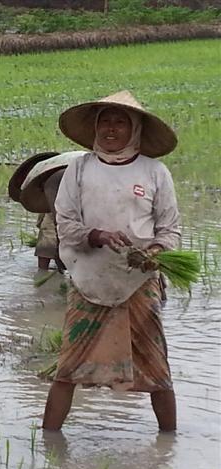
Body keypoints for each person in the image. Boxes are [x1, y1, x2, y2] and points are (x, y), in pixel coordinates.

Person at [43, 90, 181, 432]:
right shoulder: (79, 169)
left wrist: (155, 253)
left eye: (120, 122)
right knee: (68, 368)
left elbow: (170, 229)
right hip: (90, 280)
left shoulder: (155, 172)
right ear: (95, 126)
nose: (111, 128)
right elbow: (66, 224)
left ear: (134, 129)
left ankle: (169, 443)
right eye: (105, 120)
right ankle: (48, 441)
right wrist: (97, 236)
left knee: (156, 368)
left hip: (139, 283)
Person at [8, 151, 87, 270]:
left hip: (73, 192)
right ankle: (50, 270)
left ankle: (44, 271)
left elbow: (59, 223)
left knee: (50, 232)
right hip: (72, 195)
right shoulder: (56, 180)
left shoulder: (55, 180)